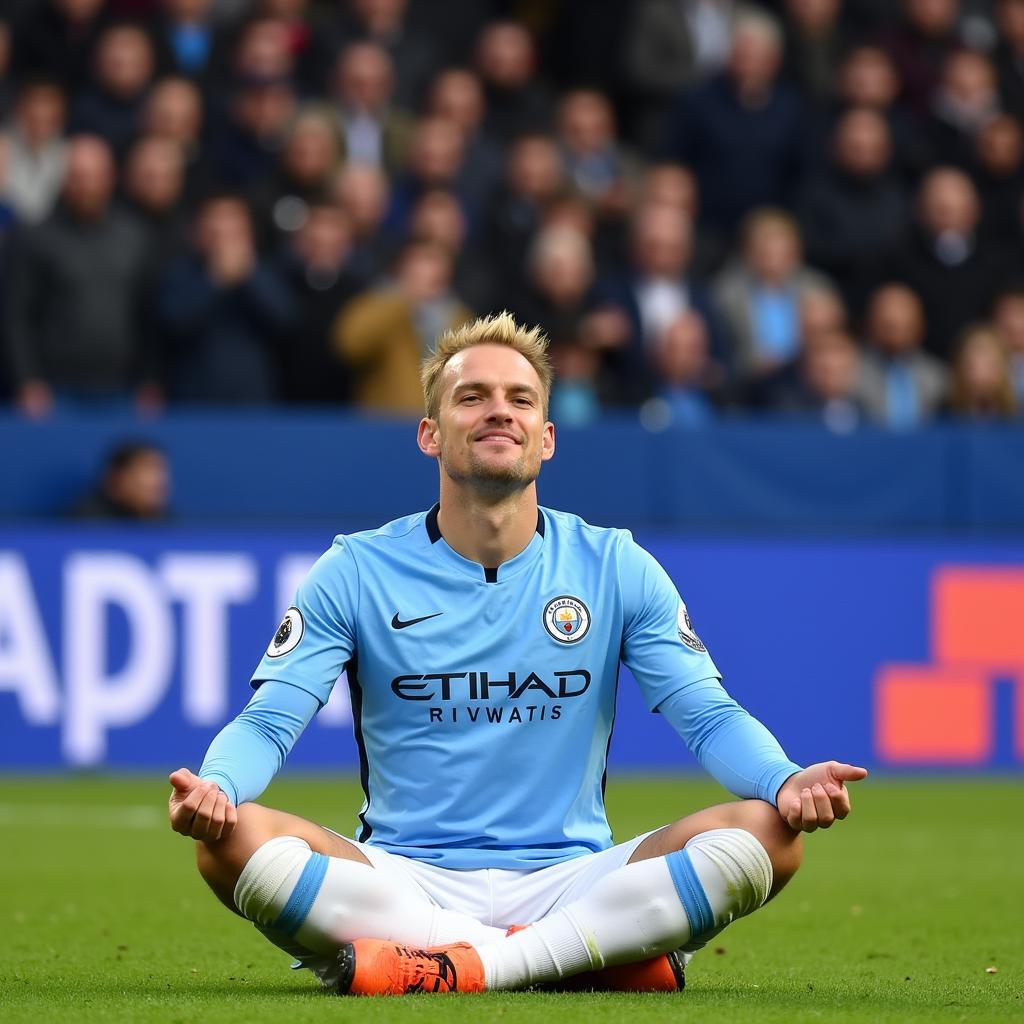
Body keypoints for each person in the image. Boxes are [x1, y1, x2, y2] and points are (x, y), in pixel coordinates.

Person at [168, 313, 867, 996]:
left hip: (573, 879)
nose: (498, 411)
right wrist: (219, 787)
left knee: (770, 834)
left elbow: (707, 716)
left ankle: (463, 967)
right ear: (430, 435)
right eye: (472, 397)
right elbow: (269, 721)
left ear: (548, 437)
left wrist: (783, 780)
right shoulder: (355, 569)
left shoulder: (615, 565)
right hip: (403, 878)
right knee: (229, 843)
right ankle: (585, 957)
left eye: (520, 399)